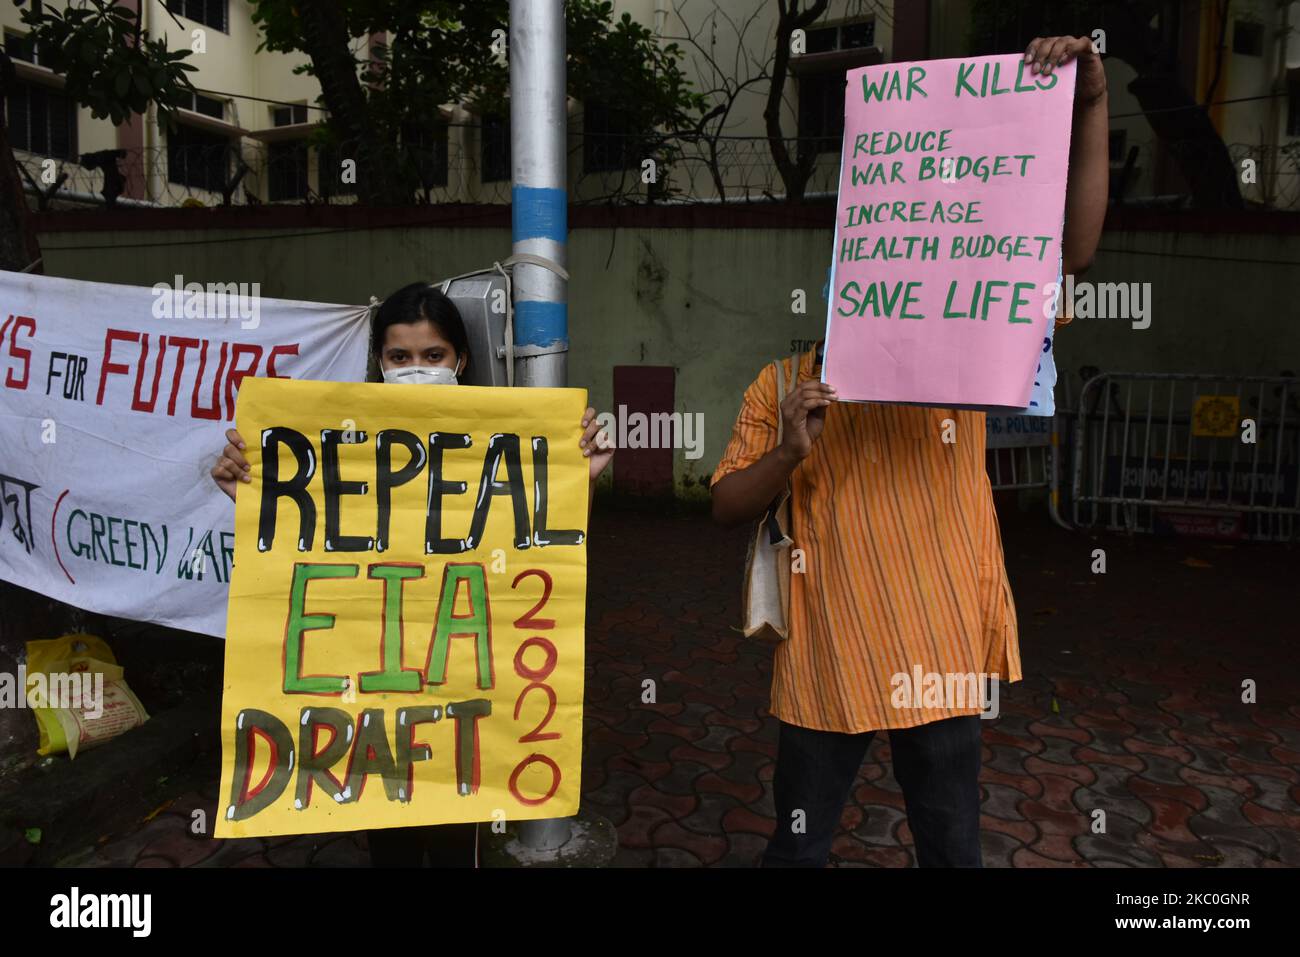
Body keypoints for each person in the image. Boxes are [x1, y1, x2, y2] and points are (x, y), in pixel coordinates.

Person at [710, 37, 1109, 868]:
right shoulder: (783, 384)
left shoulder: (960, 359)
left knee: (951, 845)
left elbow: (1066, 254)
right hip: (827, 657)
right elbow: (726, 503)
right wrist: (789, 449)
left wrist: (1091, 106)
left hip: (943, 644)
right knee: (799, 847)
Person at [210, 281, 614, 866]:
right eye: (400, 357)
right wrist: (249, 496)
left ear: (461, 361)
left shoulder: (491, 448)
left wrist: (582, 479)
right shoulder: (347, 450)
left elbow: (536, 545)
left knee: (456, 845)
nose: (416, 369)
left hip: (462, 685)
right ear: (379, 361)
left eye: (433, 356)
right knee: (390, 841)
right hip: (376, 679)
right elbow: (313, 540)